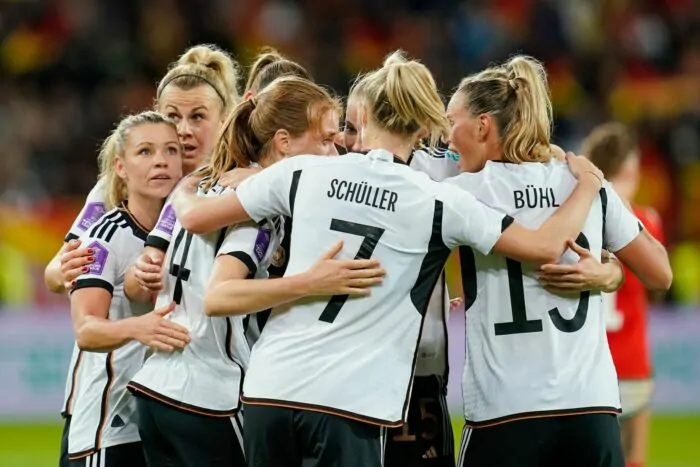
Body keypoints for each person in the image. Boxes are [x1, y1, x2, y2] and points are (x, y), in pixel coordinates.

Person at [170, 50, 608, 467]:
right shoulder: (440, 198)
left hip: (269, 390)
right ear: (423, 129)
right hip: (350, 401)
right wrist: (588, 185)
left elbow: (194, 218)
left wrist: (186, 186)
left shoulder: (300, 172)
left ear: (362, 117)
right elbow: (546, 245)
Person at [126, 76, 376, 467]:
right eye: (325, 141)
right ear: (284, 142)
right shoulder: (257, 206)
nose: (334, 154)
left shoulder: (205, 184)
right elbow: (219, 296)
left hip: (155, 390)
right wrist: (310, 282)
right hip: (207, 395)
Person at [443, 56, 673, 467]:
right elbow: (660, 273)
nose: (446, 137)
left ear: (482, 126)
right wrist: (611, 272)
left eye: (451, 122)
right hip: (591, 408)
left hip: (506, 410)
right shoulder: (586, 180)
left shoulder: (464, 190)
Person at [51, 43, 242, 467]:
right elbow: (66, 274)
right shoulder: (112, 203)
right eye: (173, 117)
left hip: (178, 404)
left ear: (223, 120)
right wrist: (63, 269)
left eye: (197, 118)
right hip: (114, 409)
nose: (183, 132)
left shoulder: (225, 193)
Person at [66, 111, 188, 467]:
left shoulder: (189, 231)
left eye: (171, 150)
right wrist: (139, 327)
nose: (161, 161)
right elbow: (86, 330)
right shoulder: (104, 238)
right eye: (145, 151)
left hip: (163, 420)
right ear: (120, 167)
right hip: (111, 425)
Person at [545, 123, 663, 467]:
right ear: (629, 170)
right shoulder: (645, 221)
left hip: (587, 368)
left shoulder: (578, 220)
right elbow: (656, 286)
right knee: (633, 459)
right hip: (633, 366)